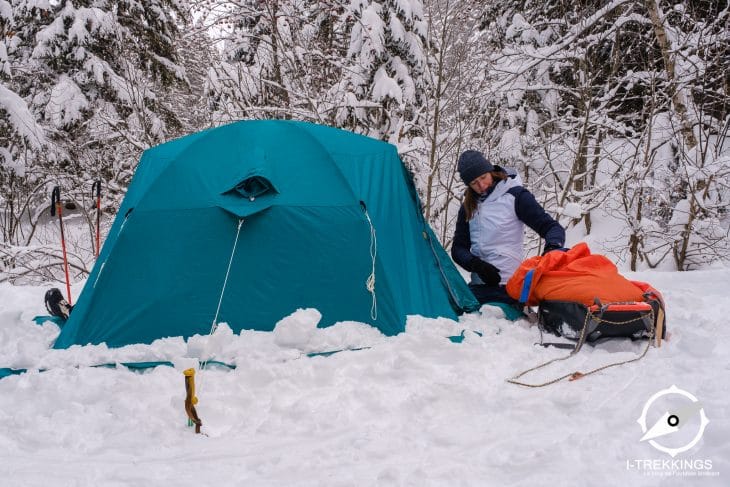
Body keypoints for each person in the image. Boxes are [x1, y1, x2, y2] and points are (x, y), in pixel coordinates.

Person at [451, 150, 565, 309]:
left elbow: (552, 228)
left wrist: (553, 248)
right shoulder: (468, 207)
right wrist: (476, 265)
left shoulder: (515, 196)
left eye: (483, 177)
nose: (481, 185)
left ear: (490, 170)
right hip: (478, 287)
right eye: (474, 183)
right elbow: (458, 248)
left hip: (510, 287)